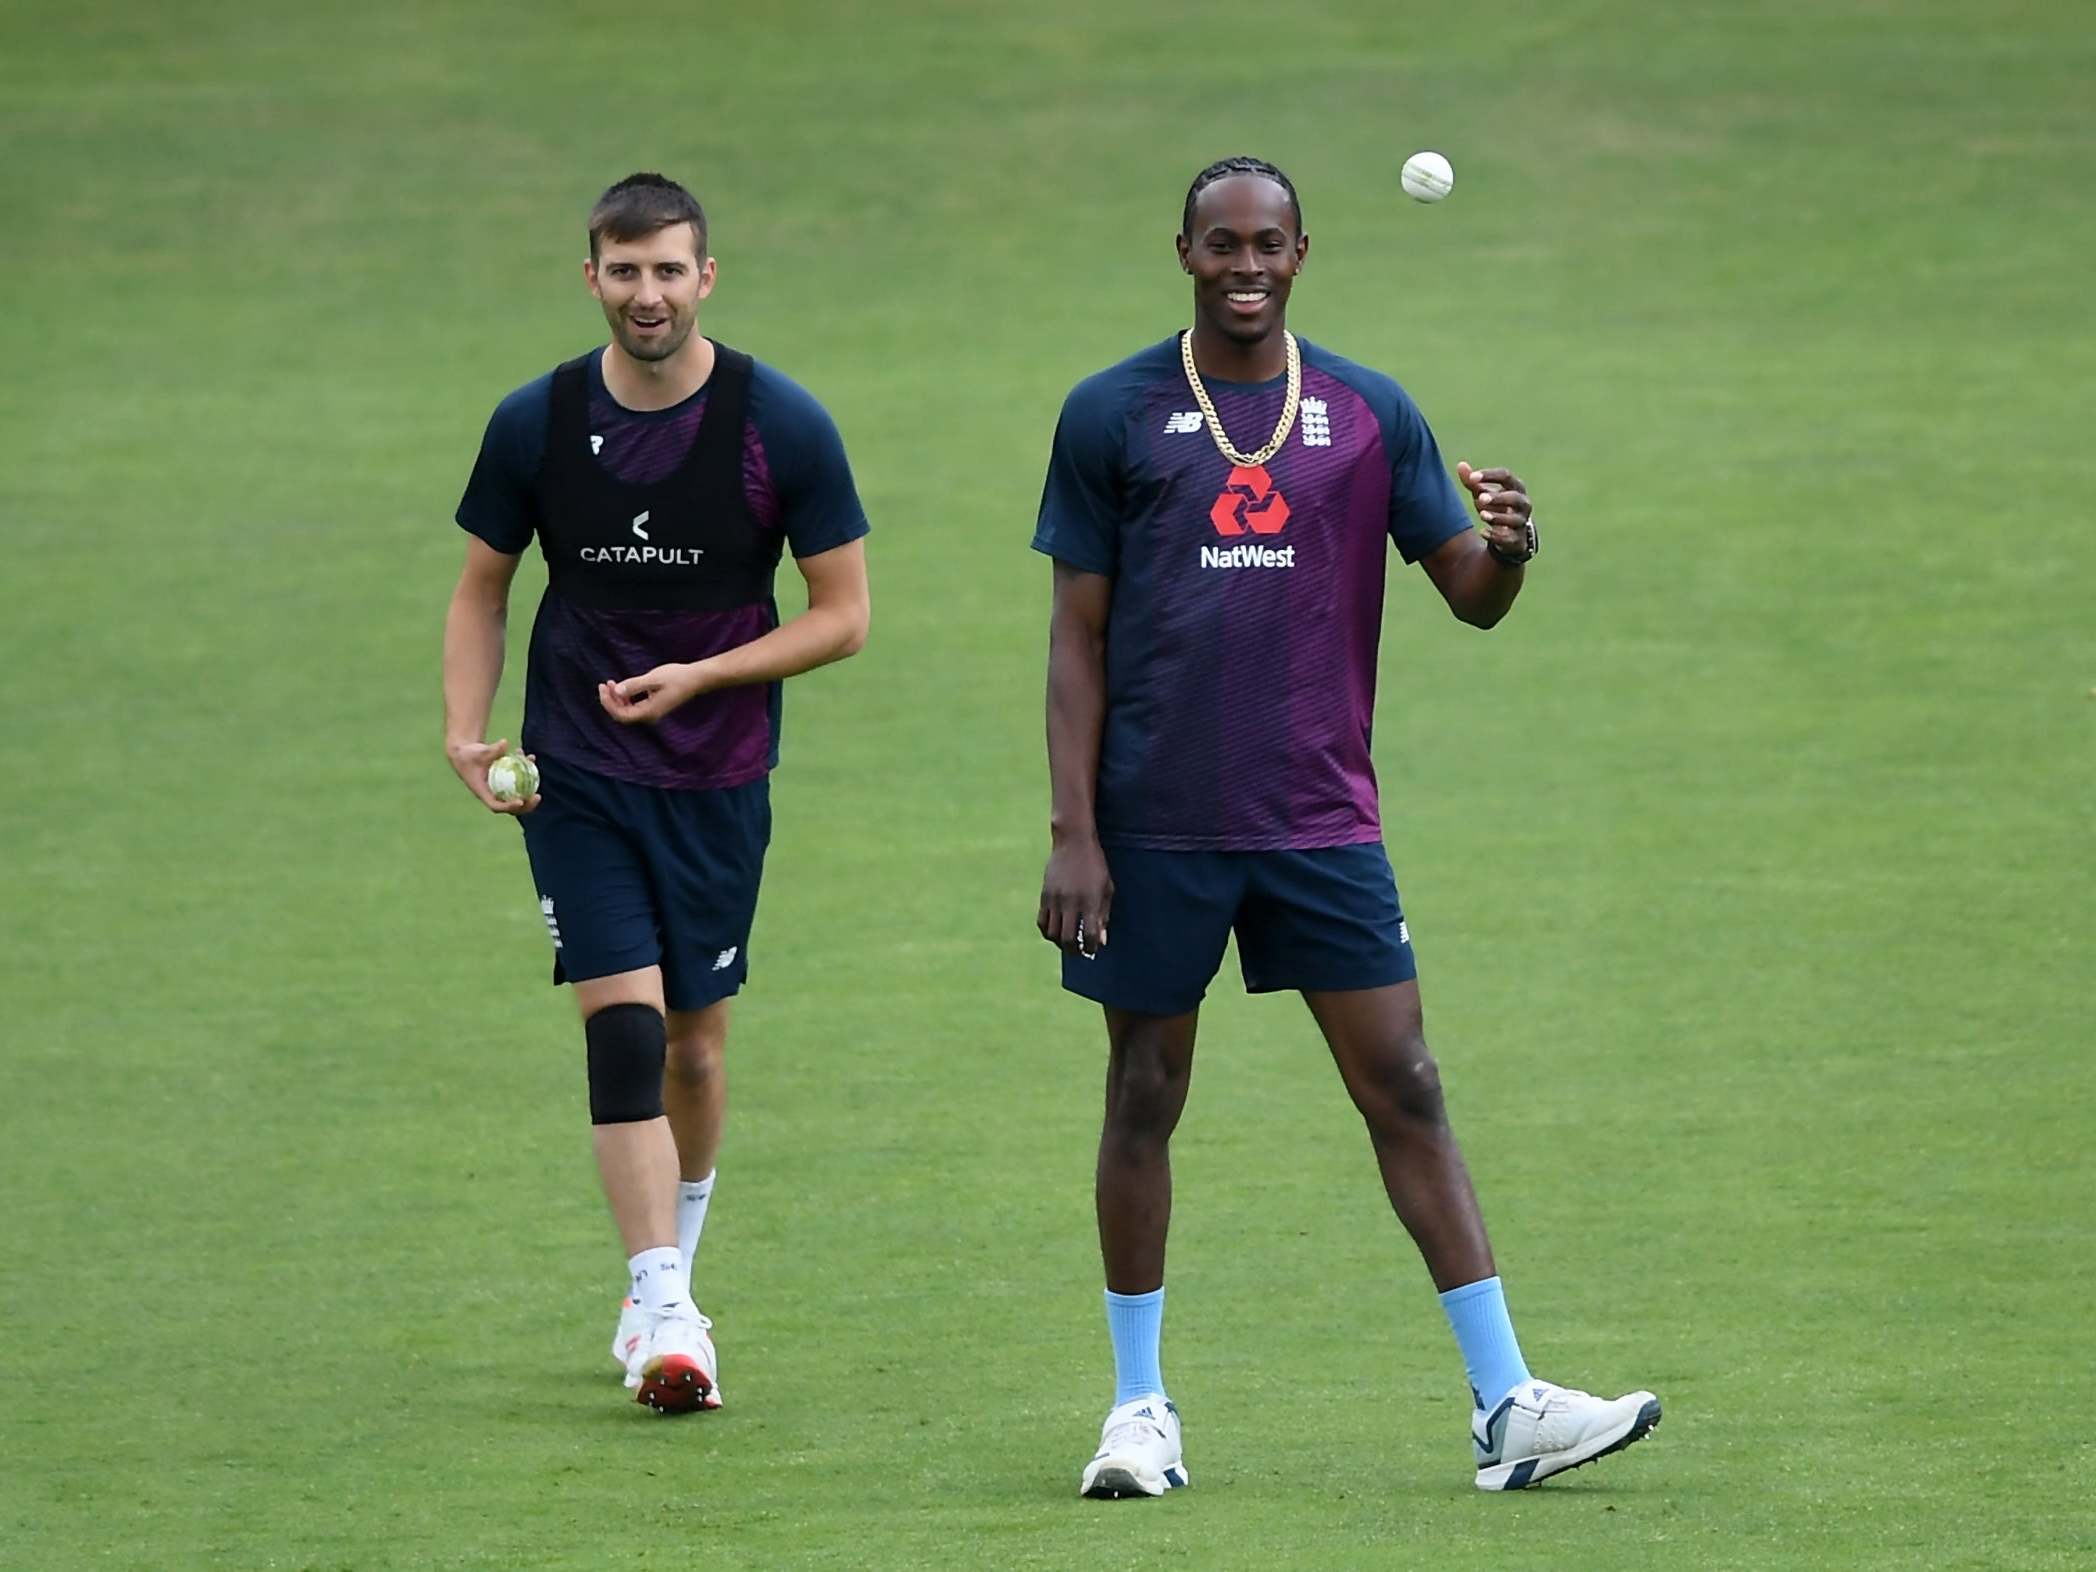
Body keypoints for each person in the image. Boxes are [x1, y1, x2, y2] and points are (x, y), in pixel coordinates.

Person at [1032, 156, 1657, 1494]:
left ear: (1303, 252)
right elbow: (1075, 638)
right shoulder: (1112, 415)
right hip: (1156, 830)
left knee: (1409, 1086)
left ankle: (1508, 1405)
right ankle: (1138, 1411)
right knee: (1144, 1094)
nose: (1244, 266)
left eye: (1268, 245)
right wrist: (1073, 830)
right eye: (1220, 245)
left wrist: (1512, 548)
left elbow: (1469, 596)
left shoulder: (1371, 415)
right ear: (1184, 250)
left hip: (1320, 821)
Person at [443, 172, 871, 1415]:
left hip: (719, 777)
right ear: (591, 278)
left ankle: (663, 1273)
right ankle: (667, 1304)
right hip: (573, 774)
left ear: (705, 278)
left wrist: (703, 676)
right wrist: (465, 733)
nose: (646, 294)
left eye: (668, 270)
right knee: (623, 1029)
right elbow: (482, 585)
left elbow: (842, 619)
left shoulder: (778, 425)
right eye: (623, 271)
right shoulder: (535, 422)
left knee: (694, 1039)